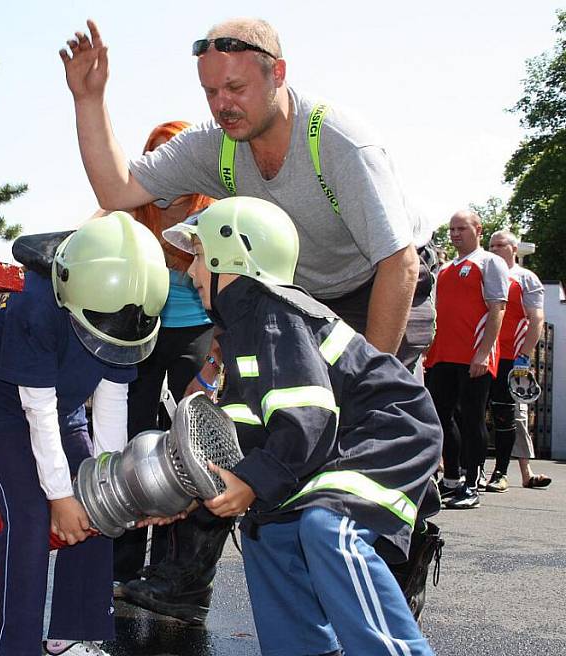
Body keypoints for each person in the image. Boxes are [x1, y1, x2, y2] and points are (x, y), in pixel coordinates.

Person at [60, 16, 437, 620]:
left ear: (277, 74)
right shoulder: (216, 145)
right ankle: (186, 584)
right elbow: (118, 185)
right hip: (298, 301)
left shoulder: (338, 142)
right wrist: (90, 99)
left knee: (354, 435)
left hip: (385, 288)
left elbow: (400, 264)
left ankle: (395, 561)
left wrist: (362, 389)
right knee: (240, 430)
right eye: (210, 91)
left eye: (235, 88)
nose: (222, 104)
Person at [162, 195, 441, 656]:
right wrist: (185, 493)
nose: (190, 273)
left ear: (228, 257)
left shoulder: (275, 313)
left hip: (389, 430)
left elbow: (307, 417)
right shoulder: (241, 330)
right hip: (338, 439)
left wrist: (253, 481)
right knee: (267, 531)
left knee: (329, 528)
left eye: (196, 256)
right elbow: (243, 434)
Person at [0, 212, 169, 656]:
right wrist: (59, 497)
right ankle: (15, 648)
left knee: (99, 502)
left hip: (64, 405)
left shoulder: (129, 303)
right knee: (31, 515)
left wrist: (108, 485)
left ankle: (72, 634)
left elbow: (112, 401)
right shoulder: (32, 302)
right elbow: (36, 408)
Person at [110, 122, 220, 605]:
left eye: (168, 156)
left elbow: (225, 289)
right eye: (151, 157)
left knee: (189, 448)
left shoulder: (212, 209)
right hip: (145, 334)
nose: (160, 168)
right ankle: (123, 564)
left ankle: (177, 576)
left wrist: (214, 360)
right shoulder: (132, 212)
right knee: (133, 443)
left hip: (197, 333)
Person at [424, 210, 510, 509]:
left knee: (473, 418)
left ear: (478, 229)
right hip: (443, 355)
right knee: (440, 417)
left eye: (461, 228)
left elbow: (497, 308)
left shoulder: (490, 262)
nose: (455, 234)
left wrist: (483, 353)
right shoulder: (446, 268)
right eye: (452, 229)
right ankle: (452, 481)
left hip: (473, 354)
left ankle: (472, 483)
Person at [486, 230, 550, 491]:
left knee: (514, 415)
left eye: (501, 245)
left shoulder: (525, 278)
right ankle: (474, 471)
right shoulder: (484, 273)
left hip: (512, 358)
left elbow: (536, 319)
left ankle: (520, 471)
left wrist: (524, 355)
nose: (495, 249)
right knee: (474, 413)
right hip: (485, 354)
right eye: (491, 245)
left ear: (514, 248)